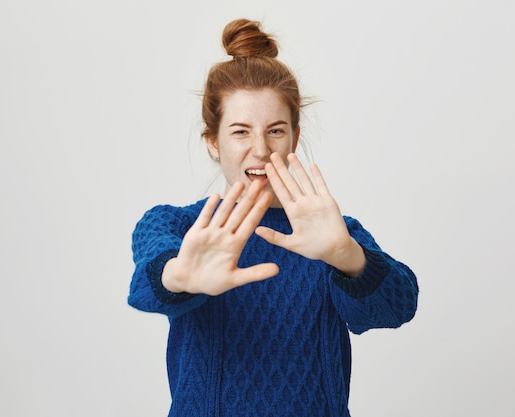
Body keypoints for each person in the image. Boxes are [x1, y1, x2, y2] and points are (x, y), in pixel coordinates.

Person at [128, 18, 418, 417]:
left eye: (276, 131)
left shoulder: (336, 234)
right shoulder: (176, 226)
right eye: (241, 132)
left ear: (295, 137)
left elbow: (397, 307)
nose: (260, 149)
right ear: (213, 142)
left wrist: (347, 256)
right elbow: (142, 290)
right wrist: (180, 276)